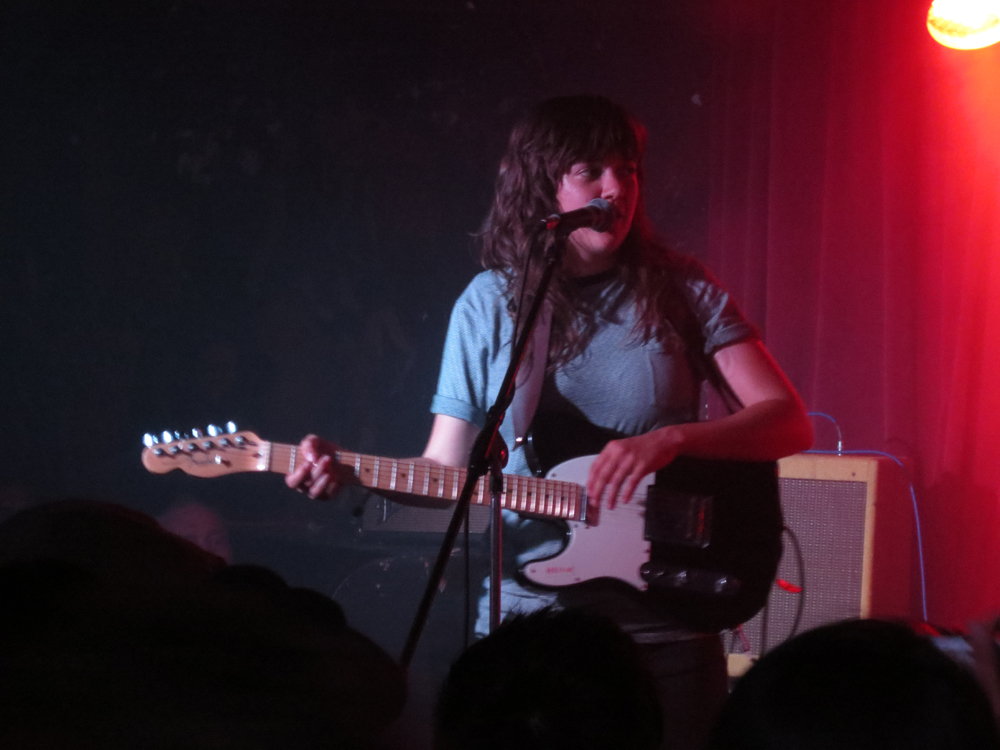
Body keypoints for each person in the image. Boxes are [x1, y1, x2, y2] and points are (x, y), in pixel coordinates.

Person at [286, 95, 814, 749]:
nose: (616, 188)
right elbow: (445, 470)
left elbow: (789, 422)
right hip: (524, 630)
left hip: (665, 624)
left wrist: (671, 439)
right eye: (591, 169)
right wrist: (352, 477)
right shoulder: (491, 304)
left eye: (629, 170)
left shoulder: (681, 290)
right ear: (543, 182)